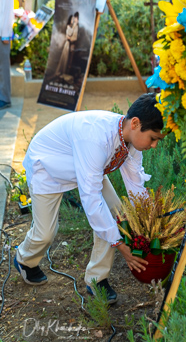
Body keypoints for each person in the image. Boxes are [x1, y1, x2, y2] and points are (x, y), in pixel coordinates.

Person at [14, 93, 166, 303]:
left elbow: (135, 186)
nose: (154, 145)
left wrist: (151, 222)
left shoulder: (131, 140)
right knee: (45, 234)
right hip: (48, 166)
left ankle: (96, 279)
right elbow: (92, 200)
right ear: (135, 123)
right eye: (153, 138)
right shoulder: (95, 138)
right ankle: (24, 259)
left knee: (116, 215)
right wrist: (120, 245)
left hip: (85, 168)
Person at [0, 0, 14, 111]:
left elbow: (7, 9)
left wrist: (5, 34)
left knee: (3, 66)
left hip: (1, 30)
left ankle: (5, 98)